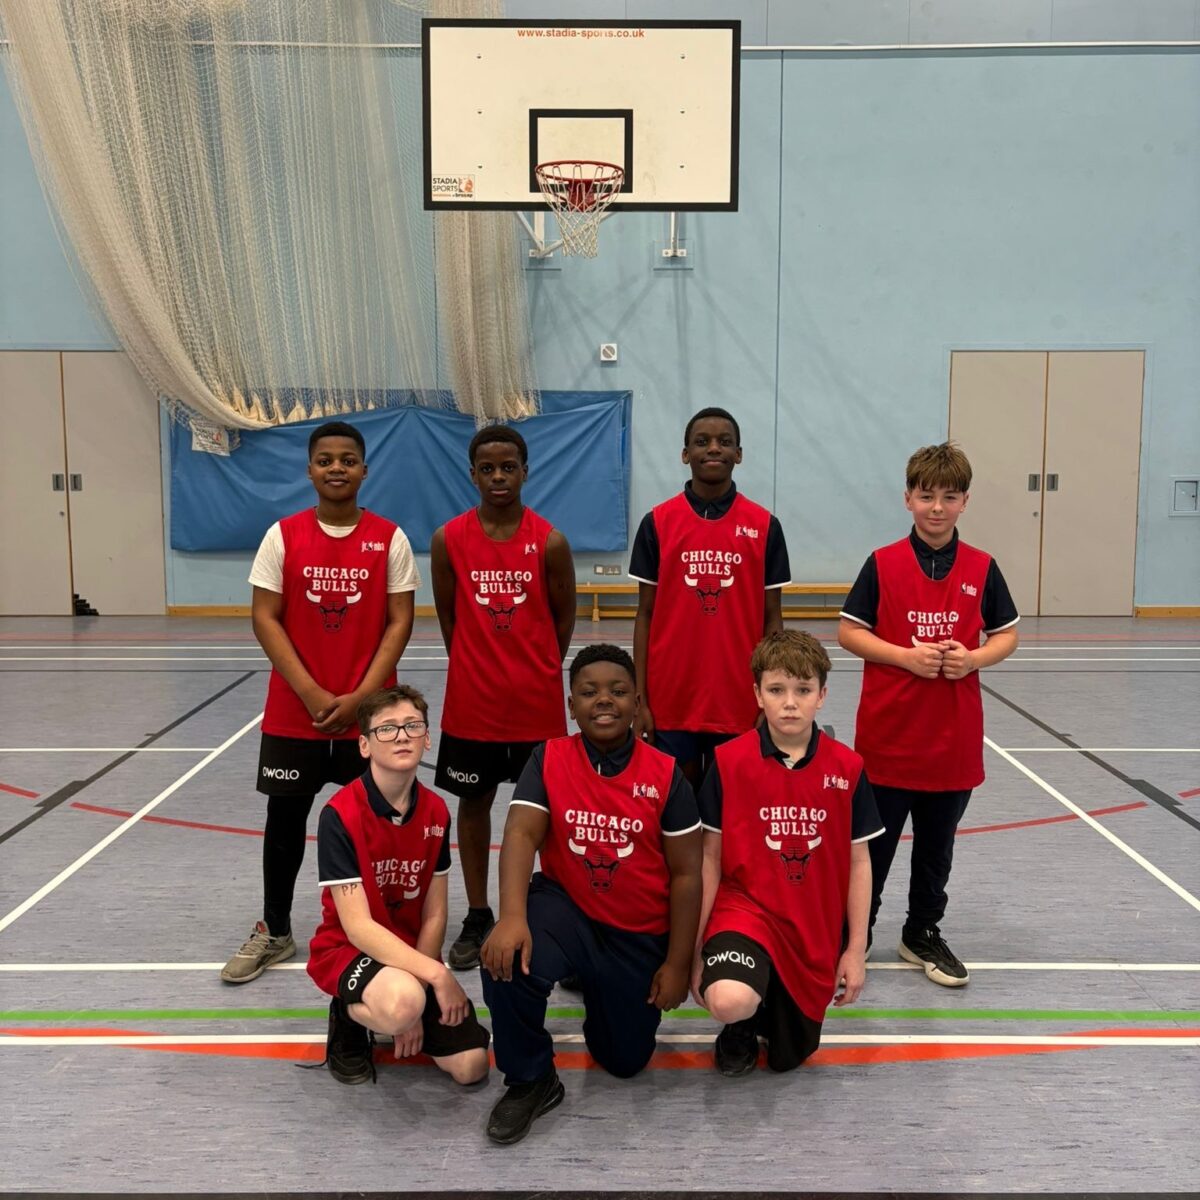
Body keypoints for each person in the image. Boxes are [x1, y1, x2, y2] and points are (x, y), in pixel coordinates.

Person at [480, 644, 701, 1145]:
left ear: (638, 703)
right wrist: (512, 916)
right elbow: (519, 835)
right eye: (589, 692)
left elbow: (687, 875)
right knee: (508, 959)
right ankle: (531, 1078)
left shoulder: (666, 775)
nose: (605, 700)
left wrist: (678, 961)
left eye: (619, 692)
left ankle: (598, 983)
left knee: (624, 1061)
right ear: (570, 704)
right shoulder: (549, 757)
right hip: (569, 909)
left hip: (637, 930)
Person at [221, 421, 418, 984]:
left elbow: (399, 622)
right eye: (326, 459)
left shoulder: (390, 539)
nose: (337, 468)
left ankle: (382, 928)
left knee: (380, 824)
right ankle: (276, 930)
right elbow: (265, 617)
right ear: (309, 469)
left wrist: (363, 700)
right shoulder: (282, 536)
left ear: (364, 469)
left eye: (348, 459)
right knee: (284, 822)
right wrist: (309, 690)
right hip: (295, 712)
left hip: (370, 718)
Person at [838, 441, 1019, 987]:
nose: (936, 507)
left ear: (965, 501)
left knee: (937, 849)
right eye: (925, 496)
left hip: (953, 738)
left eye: (949, 496)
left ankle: (920, 932)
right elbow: (849, 632)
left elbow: (1006, 634)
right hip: (890, 737)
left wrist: (976, 659)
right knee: (875, 847)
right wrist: (904, 656)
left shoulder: (983, 568)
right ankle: (856, 936)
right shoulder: (883, 563)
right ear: (908, 499)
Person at [693, 631, 883, 1075]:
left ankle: (773, 1013)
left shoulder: (848, 768)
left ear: (822, 695)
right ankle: (738, 1026)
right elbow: (709, 859)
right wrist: (695, 946)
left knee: (789, 1057)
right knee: (730, 998)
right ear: (757, 694)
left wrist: (855, 949)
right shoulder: (727, 762)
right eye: (776, 690)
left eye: (803, 690)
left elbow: (859, 863)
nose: (790, 703)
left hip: (810, 925)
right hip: (744, 912)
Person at [431, 424, 576, 972]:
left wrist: (536, 668)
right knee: (473, 806)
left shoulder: (550, 541)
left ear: (524, 471)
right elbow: (450, 618)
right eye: (487, 468)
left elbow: (563, 619)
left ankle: (553, 911)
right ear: (472, 473)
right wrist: (476, 663)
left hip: (536, 706)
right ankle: (477, 911)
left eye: (507, 467)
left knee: (547, 815)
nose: (497, 477)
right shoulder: (448, 540)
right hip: (472, 705)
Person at [307, 686, 490, 1085]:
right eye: (386, 729)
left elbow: (435, 912)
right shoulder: (339, 815)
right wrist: (435, 980)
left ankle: (400, 1008)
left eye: (411, 726)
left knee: (471, 1068)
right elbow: (358, 927)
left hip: (411, 956)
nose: (402, 735)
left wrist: (420, 983)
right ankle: (348, 1011)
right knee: (403, 1002)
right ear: (365, 745)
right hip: (349, 950)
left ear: (427, 738)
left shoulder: (437, 811)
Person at [630, 406, 791, 785]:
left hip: (737, 698)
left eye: (725, 442)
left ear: (739, 453)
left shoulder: (765, 526)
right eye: (702, 442)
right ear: (685, 453)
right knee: (677, 815)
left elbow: (773, 619)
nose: (713, 449)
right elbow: (644, 614)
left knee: (728, 813)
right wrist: (641, 699)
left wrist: (770, 695)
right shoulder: (657, 523)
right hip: (671, 699)